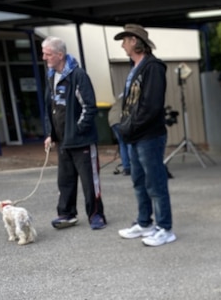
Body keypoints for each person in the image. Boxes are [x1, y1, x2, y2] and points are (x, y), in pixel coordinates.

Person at [114, 24, 176, 247]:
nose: (122, 45)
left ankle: (165, 228)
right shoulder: (135, 67)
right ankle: (144, 222)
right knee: (139, 182)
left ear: (134, 41)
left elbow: (151, 106)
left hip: (149, 136)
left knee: (155, 182)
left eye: (124, 40)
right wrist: (125, 127)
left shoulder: (153, 67)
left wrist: (129, 128)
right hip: (135, 136)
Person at [41, 36, 107, 230]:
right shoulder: (51, 76)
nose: (44, 58)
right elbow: (51, 107)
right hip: (62, 141)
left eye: (48, 54)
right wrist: (51, 134)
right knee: (65, 180)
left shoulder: (78, 75)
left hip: (81, 141)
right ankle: (66, 214)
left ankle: (96, 215)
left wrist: (78, 130)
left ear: (60, 55)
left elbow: (89, 107)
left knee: (89, 182)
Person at [108, 94, 131, 175]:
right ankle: (134, 166)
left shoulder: (119, 98)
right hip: (121, 119)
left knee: (122, 143)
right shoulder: (131, 95)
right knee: (129, 142)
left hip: (112, 120)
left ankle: (127, 167)